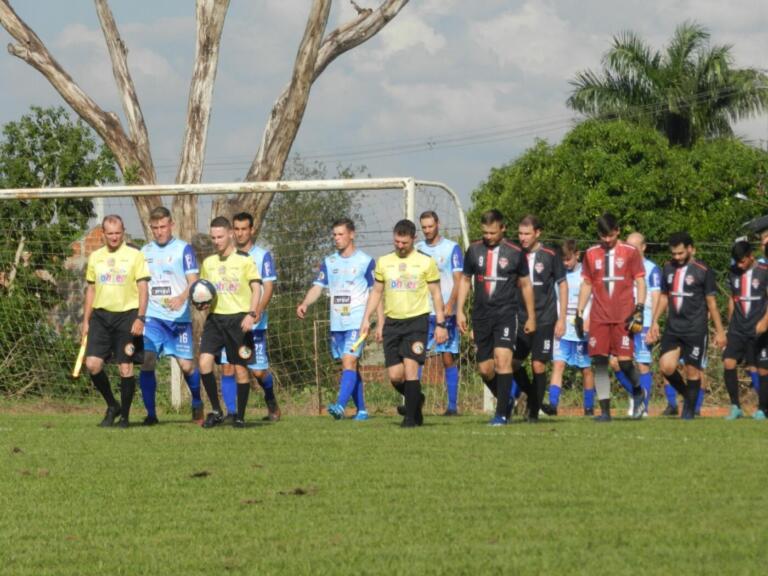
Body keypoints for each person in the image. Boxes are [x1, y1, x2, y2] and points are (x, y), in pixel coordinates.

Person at [359, 219, 447, 428]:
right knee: (395, 376)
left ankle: (410, 420)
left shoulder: (426, 262)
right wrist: (366, 318)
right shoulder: (384, 262)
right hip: (392, 324)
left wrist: (441, 323)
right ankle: (417, 400)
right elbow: (377, 292)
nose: (399, 246)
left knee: (411, 370)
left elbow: (436, 294)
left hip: (417, 322)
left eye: (404, 243)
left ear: (413, 239)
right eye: (397, 242)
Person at [456, 209, 535, 426]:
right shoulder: (473, 250)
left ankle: (500, 414)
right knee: (485, 369)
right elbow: (464, 280)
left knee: (503, 360)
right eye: (485, 232)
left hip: (506, 315)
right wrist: (460, 310)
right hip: (481, 316)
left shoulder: (515, 252)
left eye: (492, 232)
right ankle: (506, 400)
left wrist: (531, 317)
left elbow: (526, 285)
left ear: (503, 229)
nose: (488, 236)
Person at [297, 218, 380, 420]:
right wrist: (306, 303)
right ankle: (361, 410)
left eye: (340, 234)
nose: (336, 238)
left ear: (351, 234)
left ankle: (340, 406)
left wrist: (378, 321)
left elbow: (376, 292)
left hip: (357, 322)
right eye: (334, 235)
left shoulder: (365, 261)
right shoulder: (329, 262)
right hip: (337, 324)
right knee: (349, 365)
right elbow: (318, 287)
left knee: (349, 361)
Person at [648, 231, 726, 419]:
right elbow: (665, 297)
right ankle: (688, 396)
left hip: (695, 329)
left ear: (690, 249)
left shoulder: (703, 270)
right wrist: (654, 323)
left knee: (692, 370)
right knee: (666, 367)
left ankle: (689, 412)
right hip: (674, 328)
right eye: (674, 254)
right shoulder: (667, 268)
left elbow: (711, 303)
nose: (677, 257)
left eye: (681, 253)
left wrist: (720, 332)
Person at [81, 214, 150, 428]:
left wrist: (140, 317)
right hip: (101, 317)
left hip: (127, 316)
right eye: (110, 233)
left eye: (118, 233)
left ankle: (126, 418)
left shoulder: (134, 255)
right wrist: (86, 320)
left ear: (123, 232)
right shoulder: (95, 257)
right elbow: (91, 290)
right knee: (92, 364)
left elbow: (143, 289)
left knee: (125, 368)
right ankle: (113, 405)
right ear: (103, 234)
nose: (114, 237)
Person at [576, 213, 646, 422]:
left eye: (611, 235)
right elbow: (587, 283)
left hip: (623, 316)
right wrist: (579, 313)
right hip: (599, 317)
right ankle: (605, 411)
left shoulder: (631, 252)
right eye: (603, 236)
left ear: (618, 231)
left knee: (625, 363)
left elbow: (640, 281)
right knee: (599, 362)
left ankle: (638, 391)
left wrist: (639, 309)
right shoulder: (591, 254)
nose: (607, 240)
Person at [139, 207, 203, 425]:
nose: (159, 231)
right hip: (153, 318)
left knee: (187, 366)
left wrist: (181, 297)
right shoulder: (144, 252)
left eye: (163, 226)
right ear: (151, 228)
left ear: (171, 225)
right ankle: (151, 414)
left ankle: (196, 402)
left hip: (178, 320)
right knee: (147, 362)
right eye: (155, 228)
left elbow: (193, 280)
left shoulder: (184, 250)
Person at [197, 216, 262, 429]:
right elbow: (205, 292)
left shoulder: (244, 260)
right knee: (204, 362)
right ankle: (216, 411)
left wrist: (251, 314)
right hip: (215, 319)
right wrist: (202, 304)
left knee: (241, 370)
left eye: (220, 237)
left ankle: (240, 416)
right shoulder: (208, 263)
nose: (216, 241)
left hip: (238, 319)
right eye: (213, 237)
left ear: (230, 235)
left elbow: (257, 288)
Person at [217, 212, 281, 423]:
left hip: (254, 325)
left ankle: (270, 398)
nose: (240, 233)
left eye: (244, 229)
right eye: (237, 229)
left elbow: (268, 287)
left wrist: (257, 310)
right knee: (227, 366)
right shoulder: (225, 257)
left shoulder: (262, 256)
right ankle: (232, 413)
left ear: (252, 230)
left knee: (258, 372)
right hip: (229, 323)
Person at [514, 215, 567, 420]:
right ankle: (532, 396)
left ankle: (533, 412)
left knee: (538, 364)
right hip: (520, 317)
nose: (523, 238)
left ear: (538, 233)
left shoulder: (550, 254)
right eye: (520, 233)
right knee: (513, 364)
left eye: (527, 234)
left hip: (545, 317)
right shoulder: (515, 254)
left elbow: (562, 284)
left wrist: (561, 318)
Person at [416, 210, 464, 415]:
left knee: (446, 357)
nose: (427, 230)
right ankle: (413, 402)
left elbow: (459, 279)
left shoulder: (452, 248)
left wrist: (451, 304)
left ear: (438, 224)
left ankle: (452, 406)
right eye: (424, 227)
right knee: (417, 356)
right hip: (421, 311)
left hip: (445, 313)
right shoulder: (417, 249)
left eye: (430, 226)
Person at [609, 232, 661, 416]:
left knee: (642, 364)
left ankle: (642, 408)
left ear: (644, 247)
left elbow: (656, 297)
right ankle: (638, 394)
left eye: (635, 247)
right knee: (615, 363)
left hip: (642, 323)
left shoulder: (652, 269)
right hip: (621, 322)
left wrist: (654, 323)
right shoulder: (622, 266)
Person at [543, 239, 595, 416]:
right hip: (563, 330)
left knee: (586, 369)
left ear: (577, 255)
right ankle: (552, 405)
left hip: (582, 331)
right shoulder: (558, 274)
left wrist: (588, 321)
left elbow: (594, 300)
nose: (565, 263)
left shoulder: (587, 275)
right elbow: (556, 300)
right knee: (558, 365)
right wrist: (559, 320)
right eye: (562, 260)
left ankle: (589, 408)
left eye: (568, 259)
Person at [723, 240, 768, 420]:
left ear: (751, 256)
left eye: (742, 261)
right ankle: (735, 406)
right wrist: (729, 322)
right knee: (728, 362)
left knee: (763, 369)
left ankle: (763, 409)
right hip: (738, 328)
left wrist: (765, 321)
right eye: (737, 261)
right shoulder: (733, 273)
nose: (739, 265)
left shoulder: (764, 272)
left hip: (759, 329)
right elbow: (732, 298)